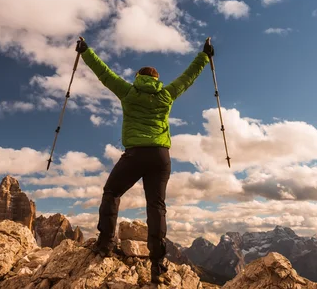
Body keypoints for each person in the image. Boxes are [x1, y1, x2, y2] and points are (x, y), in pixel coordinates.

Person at [76, 38, 214, 284]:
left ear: (138, 77)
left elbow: (103, 72)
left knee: (111, 192)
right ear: (157, 79)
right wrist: (204, 54)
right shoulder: (166, 95)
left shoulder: (128, 92)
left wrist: (86, 50)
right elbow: (189, 76)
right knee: (156, 206)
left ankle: (105, 244)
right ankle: (158, 264)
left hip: (136, 153)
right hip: (161, 156)